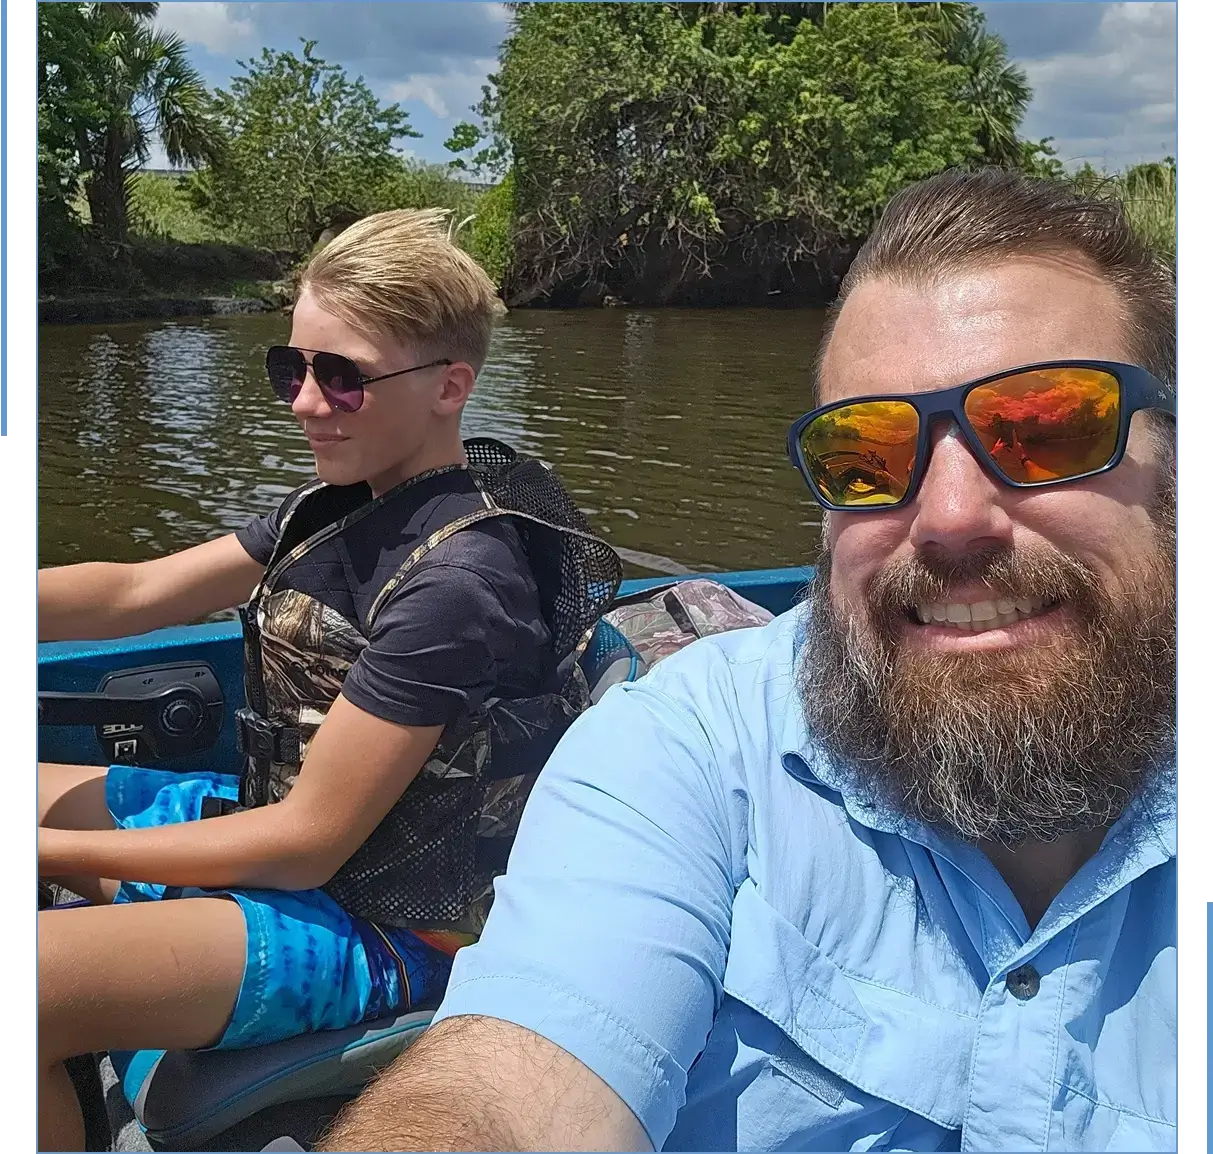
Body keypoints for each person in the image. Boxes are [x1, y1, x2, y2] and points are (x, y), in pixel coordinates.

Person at [319, 169, 1178, 1152]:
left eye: (1043, 428)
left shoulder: (459, 566)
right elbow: (507, 1094)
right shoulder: (687, 749)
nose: (947, 518)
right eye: (865, 454)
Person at [36, 208, 620, 1152]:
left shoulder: (458, 583)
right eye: (292, 368)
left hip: (393, 928)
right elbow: (138, 590)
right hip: (301, 838)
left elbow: (306, 846)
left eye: (342, 377)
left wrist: (50, 853)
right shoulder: (340, 502)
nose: (306, 402)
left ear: (448, 387)